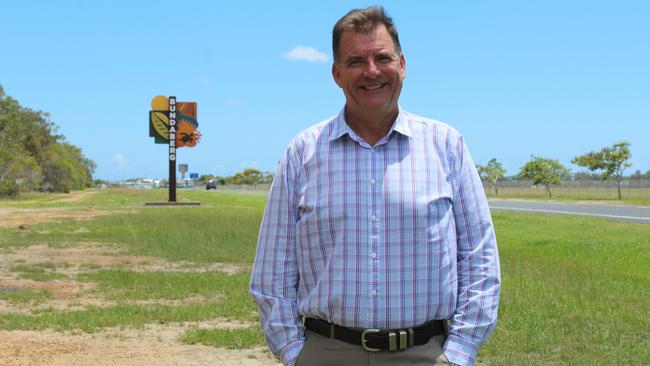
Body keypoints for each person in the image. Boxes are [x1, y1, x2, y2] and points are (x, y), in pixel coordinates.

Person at [250, 6, 500, 366]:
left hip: (426, 354)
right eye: (355, 61)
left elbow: (479, 256)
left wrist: (460, 351)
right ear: (337, 73)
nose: (371, 71)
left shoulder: (446, 145)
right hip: (327, 352)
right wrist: (294, 352)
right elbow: (273, 270)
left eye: (382, 57)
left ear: (402, 64)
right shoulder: (302, 152)